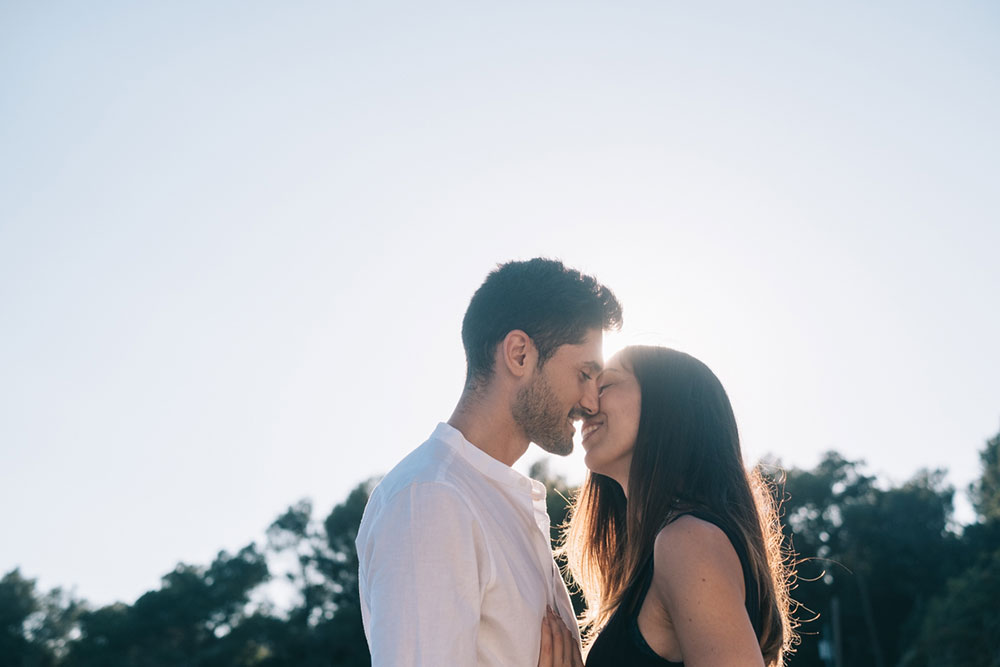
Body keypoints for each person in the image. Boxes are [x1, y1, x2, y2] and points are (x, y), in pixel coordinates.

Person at [356, 258, 623, 666]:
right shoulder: (430, 500)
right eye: (584, 373)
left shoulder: (497, 500)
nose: (590, 402)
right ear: (519, 354)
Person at [540, 346, 797, 667]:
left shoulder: (688, 541)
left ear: (667, 408)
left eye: (605, 386)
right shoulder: (672, 546)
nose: (586, 404)